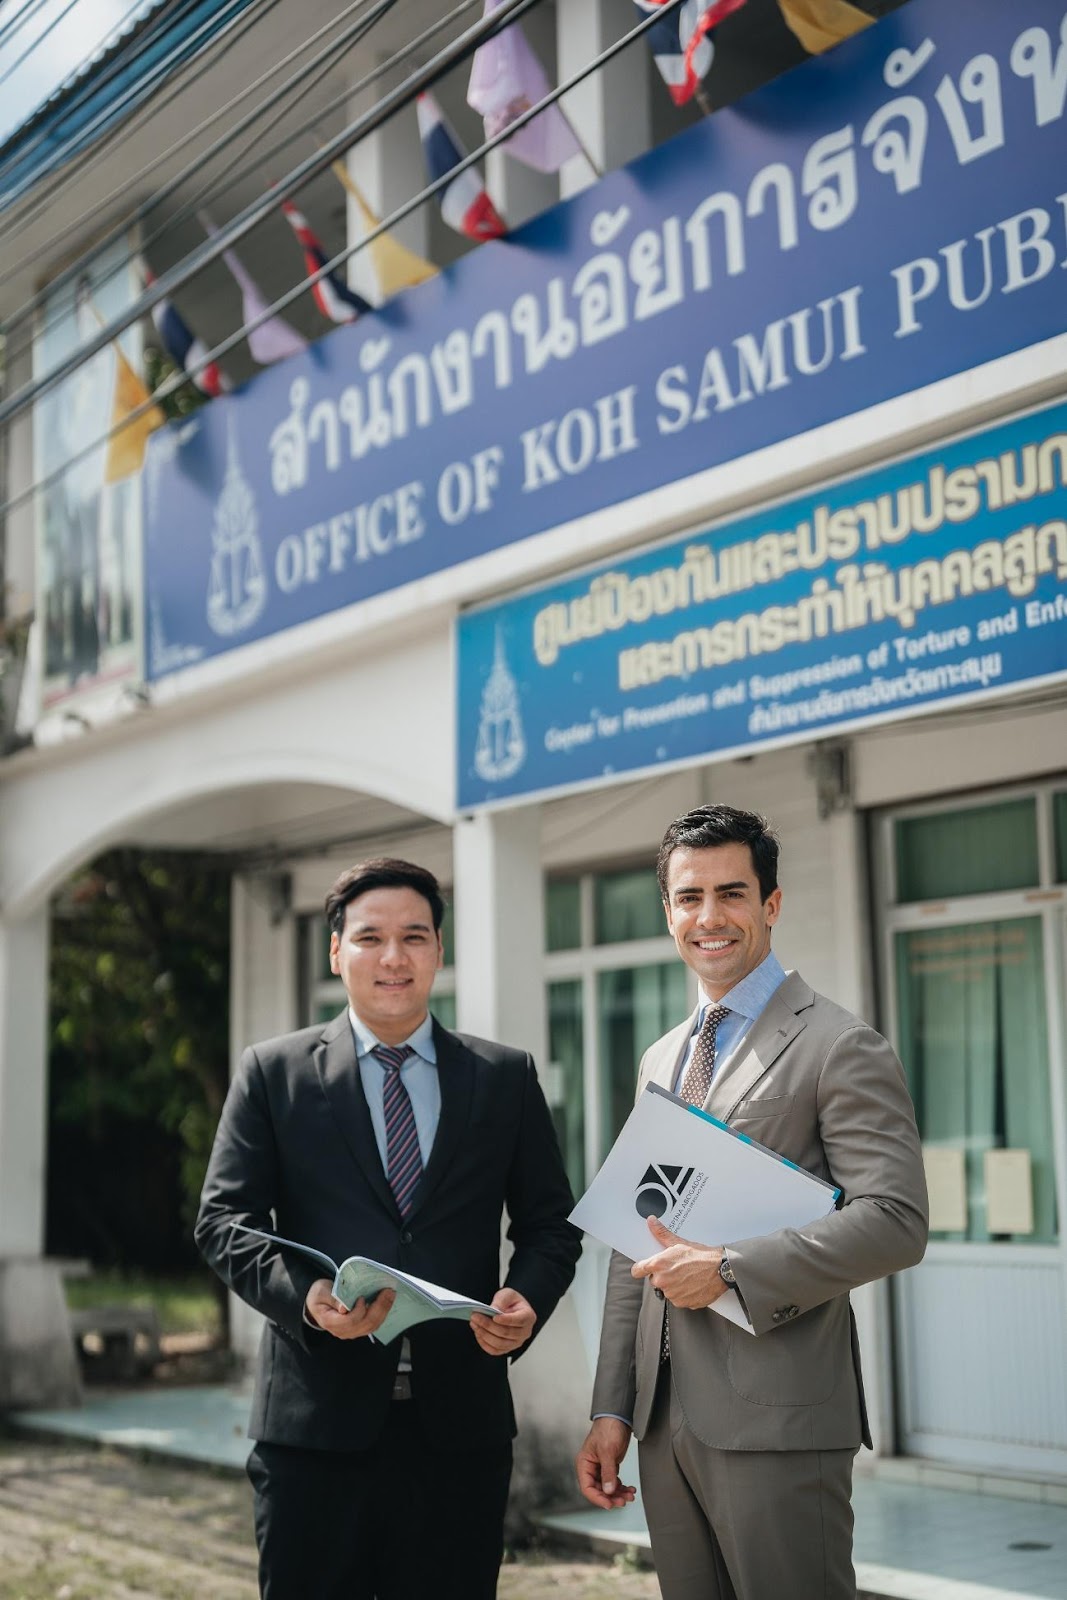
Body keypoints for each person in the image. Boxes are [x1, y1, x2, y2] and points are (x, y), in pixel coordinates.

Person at [196, 857, 581, 1600]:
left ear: (439, 949)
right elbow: (223, 1222)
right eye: (370, 938)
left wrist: (525, 1299)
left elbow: (549, 1225)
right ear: (335, 951)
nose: (393, 957)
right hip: (313, 1431)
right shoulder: (273, 1074)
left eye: (414, 936)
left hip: (458, 1433)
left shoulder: (501, 1077)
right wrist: (305, 1298)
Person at [575, 805, 928, 1600]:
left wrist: (731, 1269)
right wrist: (613, 1410)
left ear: (770, 904)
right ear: (667, 911)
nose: (709, 917)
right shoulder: (662, 1055)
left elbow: (896, 1221)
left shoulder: (839, 1044)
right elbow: (638, 1238)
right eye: (688, 896)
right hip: (666, 1429)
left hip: (778, 1418)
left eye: (730, 893)